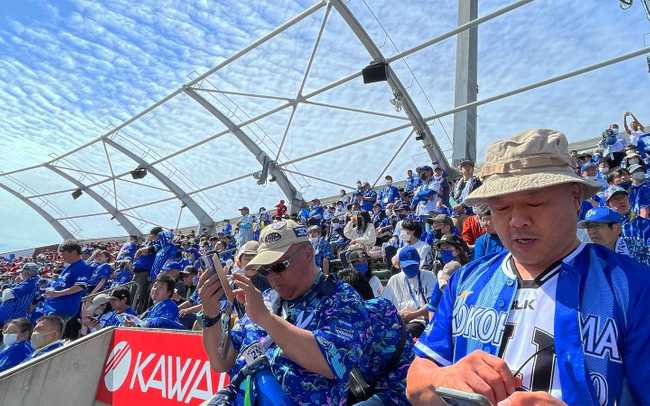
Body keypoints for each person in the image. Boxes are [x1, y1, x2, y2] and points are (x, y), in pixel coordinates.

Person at [407, 129, 650, 406]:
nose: (517, 221)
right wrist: (445, 380)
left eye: (535, 202)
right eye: (500, 208)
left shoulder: (632, 286)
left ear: (574, 198)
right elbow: (416, 381)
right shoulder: (467, 280)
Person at [198, 220, 369, 405]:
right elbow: (220, 362)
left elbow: (335, 363)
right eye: (265, 270)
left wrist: (266, 319)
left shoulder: (342, 299)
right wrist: (211, 313)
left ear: (308, 253)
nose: (272, 276)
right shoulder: (266, 300)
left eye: (279, 266)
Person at [337, 269, 414, 406]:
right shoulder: (385, 305)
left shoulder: (357, 319)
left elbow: (341, 367)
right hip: (413, 382)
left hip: (395, 394)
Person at [383, 246, 437, 338]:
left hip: (420, 321)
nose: (410, 268)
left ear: (419, 262)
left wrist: (413, 314)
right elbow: (385, 304)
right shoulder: (394, 280)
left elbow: (433, 305)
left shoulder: (429, 276)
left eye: (413, 265)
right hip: (398, 320)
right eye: (406, 266)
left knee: (402, 334)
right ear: (400, 265)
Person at [42, 241, 91, 321]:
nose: (62, 256)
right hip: (54, 306)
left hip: (62, 309)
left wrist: (57, 293)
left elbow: (80, 286)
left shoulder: (82, 266)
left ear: (73, 252)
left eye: (64, 254)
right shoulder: (71, 265)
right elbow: (65, 282)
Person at [605, 186, 650, 266]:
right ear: (608, 205)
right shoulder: (603, 227)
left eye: (624, 197)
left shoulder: (644, 225)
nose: (622, 201)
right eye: (616, 198)